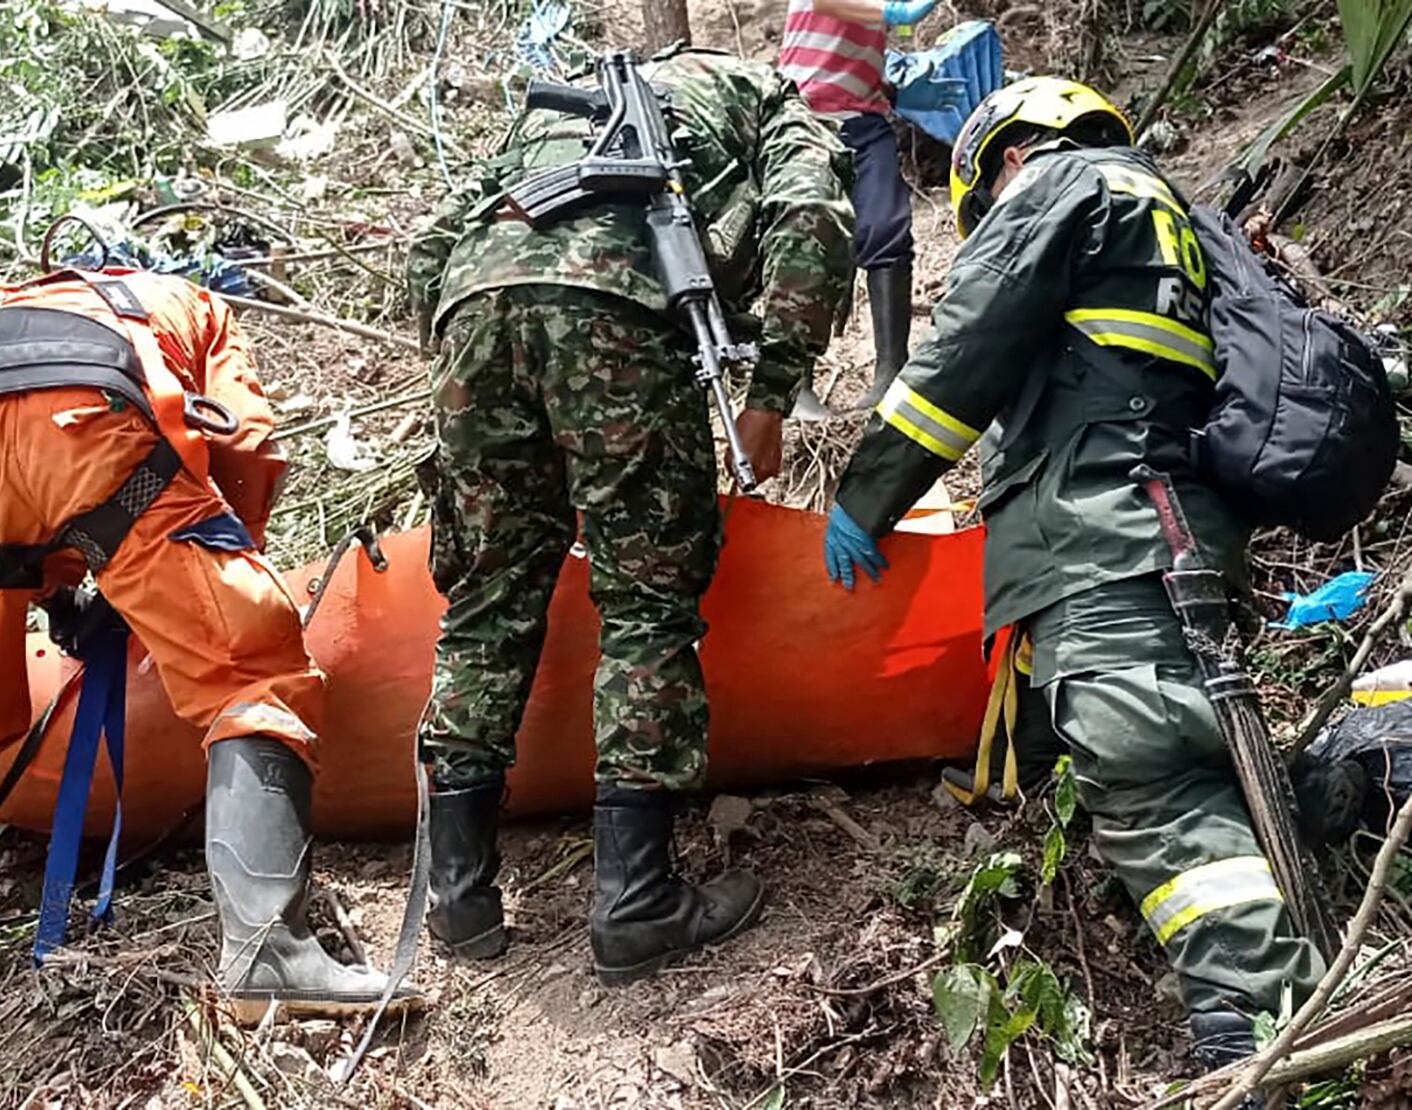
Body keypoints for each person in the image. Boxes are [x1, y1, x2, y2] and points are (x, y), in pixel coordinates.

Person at [822, 77, 1326, 1069]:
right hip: (1181, 534)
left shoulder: (1063, 188)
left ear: (1014, 155)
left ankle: (1255, 1024)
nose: (983, 227)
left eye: (979, 211)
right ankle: (1323, 806)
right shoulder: (1166, 214)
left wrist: (865, 495)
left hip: (1108, 537)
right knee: (1187, 740)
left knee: (1152, 781)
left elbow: (966, 351)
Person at [0, 266, 401, 1054]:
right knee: (248, 673)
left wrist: (63, 584)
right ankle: (268, 956)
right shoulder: (194, 306)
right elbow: (242, 440)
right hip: (89, 430)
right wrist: (217, 572)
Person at [406, 49, 854, 983]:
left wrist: (461, 360)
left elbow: (429, 246)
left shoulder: (561, 106)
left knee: (488, 601)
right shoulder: (765, 94)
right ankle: (635, 899)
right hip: (622, 317)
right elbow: (809, 217)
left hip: (471, 316)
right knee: (647, 605)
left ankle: (456, 898)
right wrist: (772, 387)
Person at [778, 0, 962, 414]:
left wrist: (898, 93)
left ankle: (891, 372)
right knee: (808, 241)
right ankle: (795, 381)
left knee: (887, 230)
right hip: (806, 122)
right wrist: (900, 14)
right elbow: (894, 15)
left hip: (863, 122)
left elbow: (851, 64)